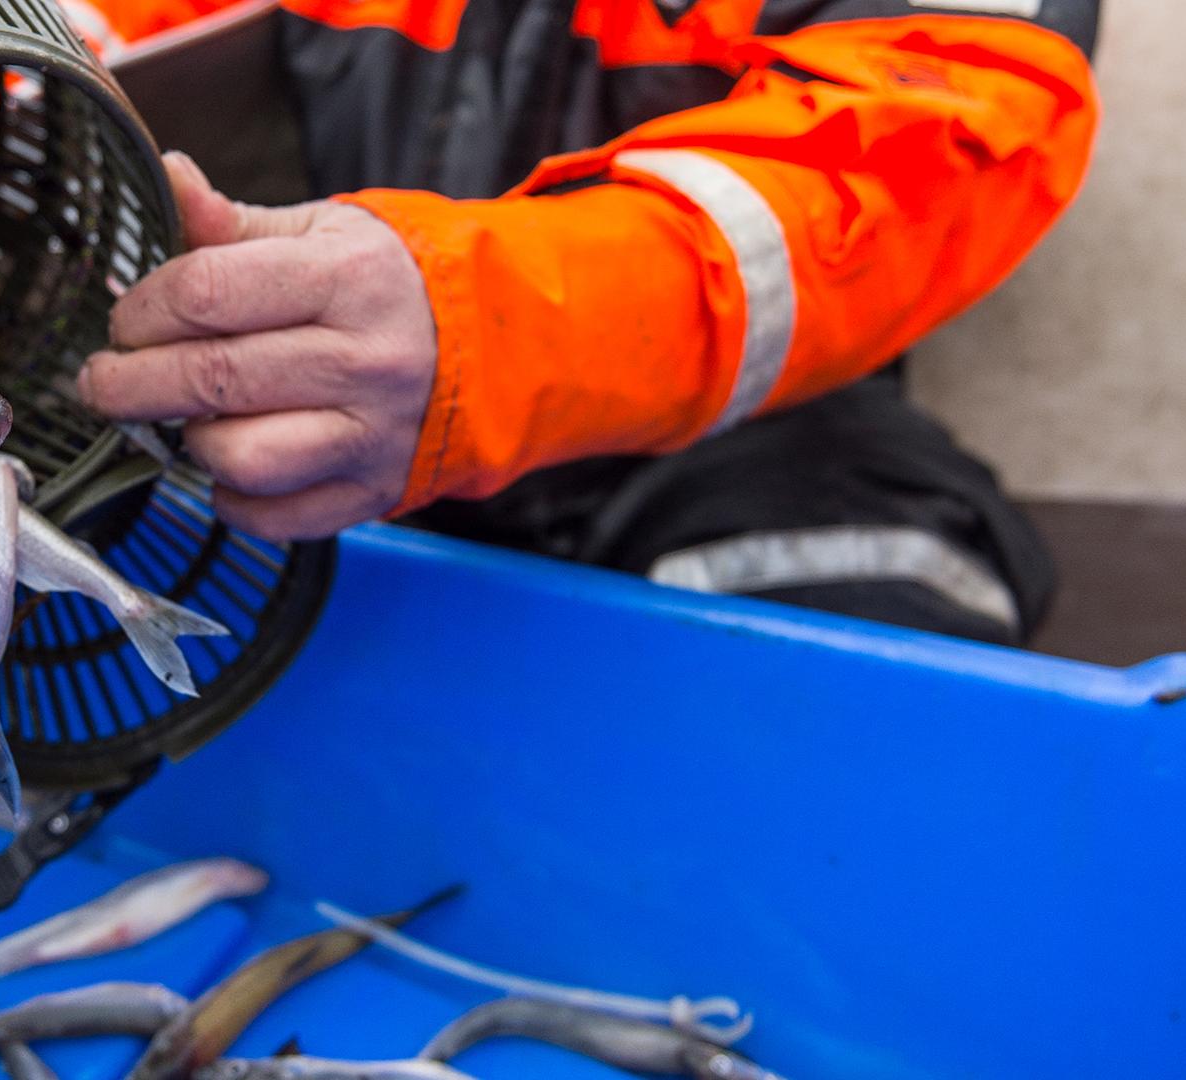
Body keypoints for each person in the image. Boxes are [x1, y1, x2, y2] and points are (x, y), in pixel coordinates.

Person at [70, 0, 1101, 646]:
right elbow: (103, 31)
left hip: (744, 441)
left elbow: (936, 128)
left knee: (871, 605)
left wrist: (487, 331)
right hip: (352, 430)